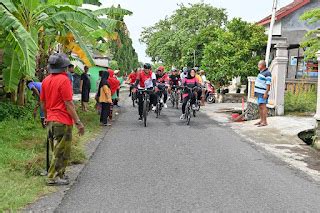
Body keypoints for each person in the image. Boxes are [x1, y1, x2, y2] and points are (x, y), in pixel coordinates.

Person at [40, 53, 85, 186]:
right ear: (64, 67)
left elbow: (43, 102)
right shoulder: (64, 80)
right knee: (61, 150)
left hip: (51, 120)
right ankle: (52, 176)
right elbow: (68, 103)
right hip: (62, 120)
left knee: (56, 149)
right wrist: (78, 122)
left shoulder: (46, 80)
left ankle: (60, 174)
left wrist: (46, 116)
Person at [254, 60, 272, 127]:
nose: (258, 66)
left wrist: (266, 93)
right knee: (260, 106)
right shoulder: (261, 72)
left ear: (262, 65)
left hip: (263, 93)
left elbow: (268, 84)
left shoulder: (267, 73)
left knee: (263, 106)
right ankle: (261, 120)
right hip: (259, 93)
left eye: (259, 65)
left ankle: (264, 122)